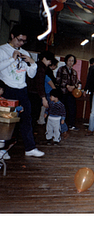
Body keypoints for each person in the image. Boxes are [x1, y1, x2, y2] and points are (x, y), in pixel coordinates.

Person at [0, 25, 44, 157]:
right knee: (6, 121)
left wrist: (33, 63)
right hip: (8, 89)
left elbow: (31, 75)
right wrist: (12, 59)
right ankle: (2, 149)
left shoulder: (25, 52)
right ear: (12, 36)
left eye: (23, 41)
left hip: (22, 89)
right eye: (19, 39)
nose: (21, 43)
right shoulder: (2, 50)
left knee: (26, 119)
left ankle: (30, 148)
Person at [27, 51, 55, 131]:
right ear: (44, 59)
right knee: (34, 115)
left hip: (30, 93)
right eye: (49, 61)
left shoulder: (36, 65)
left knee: (30, 115)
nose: (49, 63)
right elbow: (39, 84)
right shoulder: (41, 68)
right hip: (35, 95)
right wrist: (43, 98)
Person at [56, 54, 80, 131]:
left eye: (72, 61)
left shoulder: (74, 72)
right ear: (66, 60)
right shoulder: (61, 69)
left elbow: (77, 82)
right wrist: (67, 86)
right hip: (62, 92)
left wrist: (74, 86)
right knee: (61, 109)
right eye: (69, 60)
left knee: (72, 109)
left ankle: (71, 125)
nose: (70, 62)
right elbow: (57, 81)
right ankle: (59, 125)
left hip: (71, 93)